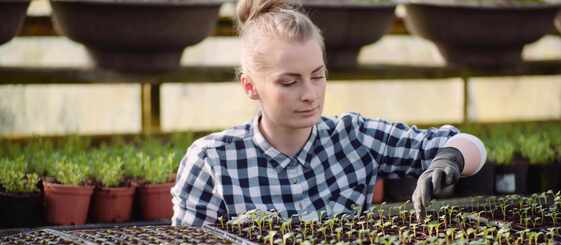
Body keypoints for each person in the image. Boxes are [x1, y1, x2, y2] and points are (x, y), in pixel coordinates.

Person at [171, 0, 486, 226]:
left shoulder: (354, 138)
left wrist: (450, 160)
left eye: (317, 76)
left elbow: (469, 144)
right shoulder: (212, 162)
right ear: (251, 87)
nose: (309, 94)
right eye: (289, 81)